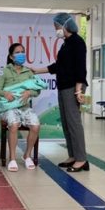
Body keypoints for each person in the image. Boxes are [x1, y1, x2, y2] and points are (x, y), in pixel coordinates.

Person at [32, 13, 89, 172]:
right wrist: (37, 71)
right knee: (66, 123)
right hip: (64, 87)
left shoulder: (77, 42)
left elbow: (81, 67)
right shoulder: (66, 44)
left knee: (74, 123)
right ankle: (73, 155)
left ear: (65, 26)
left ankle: (81, 159)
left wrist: (78, 90)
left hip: (73, 87)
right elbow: (58, 66)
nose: (55, 29)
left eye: (57, 26)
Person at [0, 43, 42, 172]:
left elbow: (37, 90)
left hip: (25, 107)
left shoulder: (29, 72)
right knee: (14, 124)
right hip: (9, 108)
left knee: (36, 125)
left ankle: (27, 155)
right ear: (11, 56)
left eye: (22, 51)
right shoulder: (4, 71)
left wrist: (29, 92)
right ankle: (12, 159)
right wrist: (5, 93)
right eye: (17, 52)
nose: (21, 54)